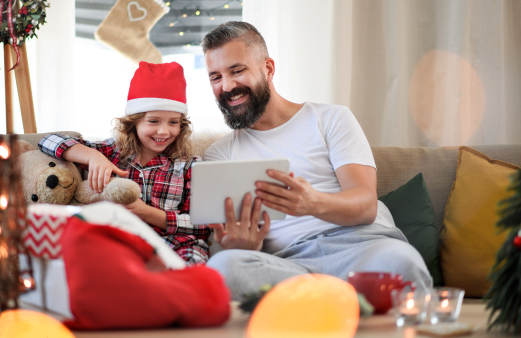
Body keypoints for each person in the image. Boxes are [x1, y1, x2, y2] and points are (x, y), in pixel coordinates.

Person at [201, 21, 432, 299]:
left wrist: (311, 203)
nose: (227, 86)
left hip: (362, 249)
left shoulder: (331, 119)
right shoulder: (220, 154)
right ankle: (340, 300)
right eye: (215, 77)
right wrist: (243, 246)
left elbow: (366, 205)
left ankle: (326, 303)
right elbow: (233, 242)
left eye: (237, 71)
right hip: (289, 265)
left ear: (268, 68)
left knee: (401, 265)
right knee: (223, 268)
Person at [38, 61, 210, 264]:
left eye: (173, 122)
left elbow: (203, 225)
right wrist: (93, 157)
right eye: (153, 121)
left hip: (174, 245)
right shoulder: (111, 152)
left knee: (191, 269)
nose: (164, 131)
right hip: (120, 245)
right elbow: (48, 141)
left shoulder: (190, 165)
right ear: (133, 122)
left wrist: (147, 213)